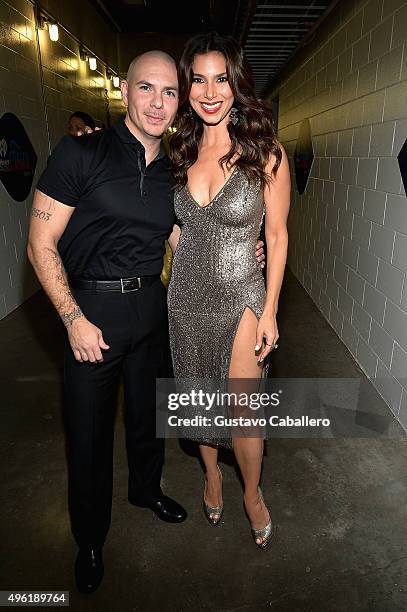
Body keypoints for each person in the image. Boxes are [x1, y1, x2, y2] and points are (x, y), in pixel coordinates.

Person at [27, 50, 265, 593]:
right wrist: (71, 318)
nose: (158, 103)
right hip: (92, 310)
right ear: (125, 91)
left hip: (154, 307)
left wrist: (236, 249)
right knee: (87, 436)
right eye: (146, 89)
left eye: (169, 92)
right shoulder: (80, 153)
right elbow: (40, 244)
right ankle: (90, 539)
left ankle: (146, 488)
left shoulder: (172, 169)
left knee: (147, 416)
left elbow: (178, 237)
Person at [167, 32, 290, 549]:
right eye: (199, 79)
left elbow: (277, 236)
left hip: (243, 293)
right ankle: (212, 476)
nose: (210, 91)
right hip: (186, 296)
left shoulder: (266, 153)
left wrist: (271, 312)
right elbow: (173, 230)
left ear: (237, 85)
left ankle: (252, 492)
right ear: (187, 85)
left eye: (221, 78)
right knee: (200, 399)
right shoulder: (178, 152)